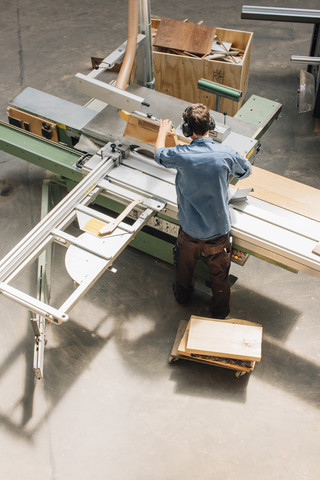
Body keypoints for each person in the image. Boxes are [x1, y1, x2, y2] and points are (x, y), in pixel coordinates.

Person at [154, 103, 252, 319]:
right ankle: (219, 311)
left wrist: (162, 132)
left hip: (190, 231)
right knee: (220, 277)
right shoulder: (225, 153)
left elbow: (159, 155)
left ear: (187, 131)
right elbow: (246, 171)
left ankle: (182, 297)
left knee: (183, 269)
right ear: (212, 126)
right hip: (218, 233)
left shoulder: (180, 154)